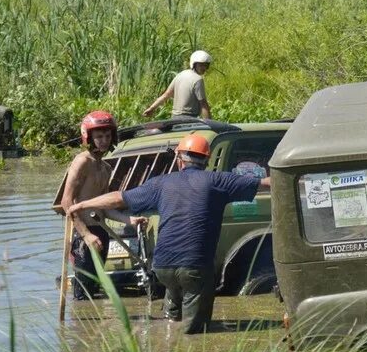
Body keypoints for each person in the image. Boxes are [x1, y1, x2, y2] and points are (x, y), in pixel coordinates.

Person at [67, 133, 269, 333]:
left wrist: (83, 204)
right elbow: (265, 183)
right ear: (206, 161)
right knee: (194, 331)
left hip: (163, 268)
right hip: (194, 266)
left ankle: (167, 340)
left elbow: (118, 198)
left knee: (172, 321)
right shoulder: (218, 180)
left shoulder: (161, 183)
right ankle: (186, 348)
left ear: (180, 160)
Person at [61, 111, 145, 300]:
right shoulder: (82, 161)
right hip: (82, 236)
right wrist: (86, 235)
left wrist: (128, 220)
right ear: (88, 137)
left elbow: (104, 208)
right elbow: (67, 201)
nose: (104, 141)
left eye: (107, 136)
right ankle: (80, 329)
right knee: (82, 295)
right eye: (99, 136)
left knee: (94, 289)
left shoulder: (106, 168)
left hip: (101, 233)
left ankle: (93, 329)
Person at [143, 50, 212, 119]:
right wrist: (210, 124)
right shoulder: (198, 79)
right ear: (194, 64)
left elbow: (166, 95)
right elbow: (203, 104)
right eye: (201, 65)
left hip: (174, 118)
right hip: (190, 119)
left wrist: (152, 108)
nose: (204, 68)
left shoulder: (180, 75)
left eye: (206, 65)